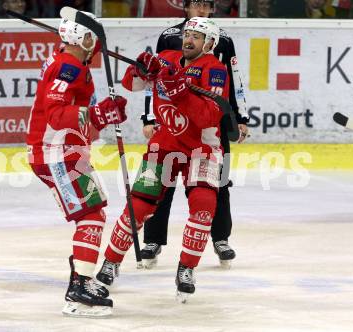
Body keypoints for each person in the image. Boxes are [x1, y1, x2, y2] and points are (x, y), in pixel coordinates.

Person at [96, 17, 230, 302]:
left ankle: (186, 269)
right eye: (187, 34)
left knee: (204, 206)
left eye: (196, 36)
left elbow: (208, 115)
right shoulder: (166, 58)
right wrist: (140, 67)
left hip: (201, 150)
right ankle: (111, 261)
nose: (189, 39)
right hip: (164, 147)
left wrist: (180, 91)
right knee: (139, 204)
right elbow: (130, 83)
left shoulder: (215, 70)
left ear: (210, 43)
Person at [26, 12, 128, 317]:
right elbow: (57, 116)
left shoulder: (72, 65)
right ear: (83, 38)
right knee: (92, 215)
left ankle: (80, 275)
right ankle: (79, 289)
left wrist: (103, 114)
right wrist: (99, 115)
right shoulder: (68, 67)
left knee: (93, 211)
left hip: (67, 150)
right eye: (93, 39)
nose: (96, 45)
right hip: (56, 152)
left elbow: (81, 120)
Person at [140, 0, 249, 270]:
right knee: (163, 179)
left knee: (217, 180)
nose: (201, 9)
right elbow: (153, 78)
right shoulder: (169, 37)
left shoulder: (222, 39)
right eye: (196, 4)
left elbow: (234, 77)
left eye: (206, 5)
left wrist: (241, 116)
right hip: (172, 121)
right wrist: (149, 117)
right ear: (186, 7)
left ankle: (220, 238)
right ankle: (153, 240)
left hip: (210, 123)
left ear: (212, 9)